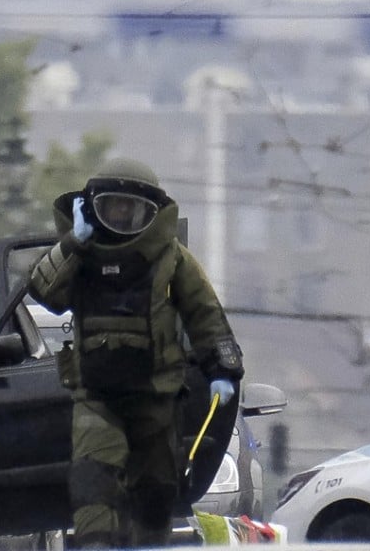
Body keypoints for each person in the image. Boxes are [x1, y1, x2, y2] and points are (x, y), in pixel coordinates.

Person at [28, 157, 244, 548]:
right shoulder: (81, 254)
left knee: (157, 491)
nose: (123, 215)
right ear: (95, 207)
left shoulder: (171, 258)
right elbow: (45, 292)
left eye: (132, 208)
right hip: (97, 398)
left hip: (157, 397)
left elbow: (204, 314)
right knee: (92, 479)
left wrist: (222, 369)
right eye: (114, 206)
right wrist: (73, 243)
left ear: (151, 212)